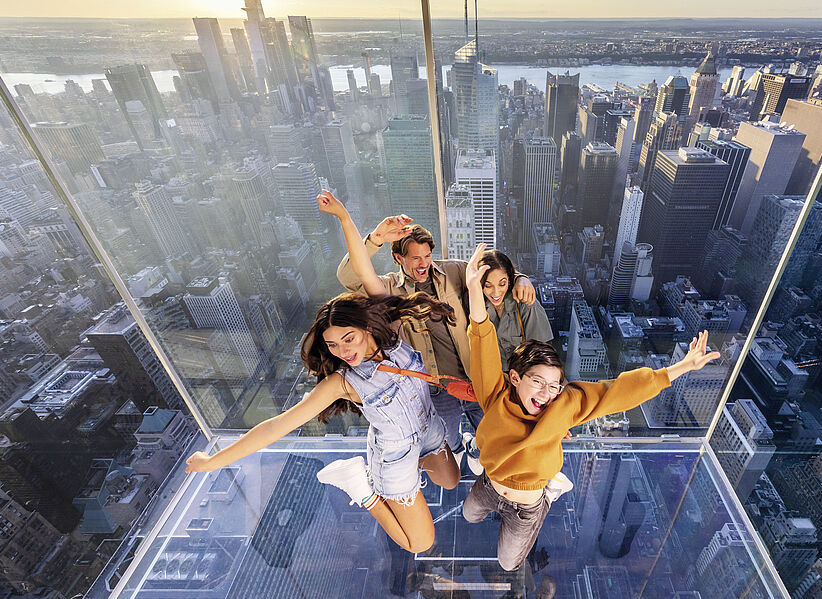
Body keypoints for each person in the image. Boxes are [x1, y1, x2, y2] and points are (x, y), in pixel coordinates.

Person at [184, 193, 460, 554]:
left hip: (428, 428)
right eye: (333, 346)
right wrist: (212, 462)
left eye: (349, 338)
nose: (345, 351)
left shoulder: (390, 334)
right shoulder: (342, 382)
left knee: (452, 481)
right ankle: (361, 488)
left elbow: (363, 271)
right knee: (420, 543)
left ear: (366, 327)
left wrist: (345, 216)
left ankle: (415, 474)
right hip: (393, 456)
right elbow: (276, 425)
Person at [461, 244, 721, 571]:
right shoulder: (495, 393)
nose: (546, 394)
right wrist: (473, 289)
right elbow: (481, 338)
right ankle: (493, 489)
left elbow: (617, 392)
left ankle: (545, 500)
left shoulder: (563, 404)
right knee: (468, 514)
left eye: (554, 384)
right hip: (490, 482)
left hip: (524, 507)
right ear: (514, 377)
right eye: (538, 382)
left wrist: (678, 369)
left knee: (509, 564)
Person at [336, 214, 537, 474]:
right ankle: (461, 449)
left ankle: (477, 448)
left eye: (427, 256)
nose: (424, 264)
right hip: (436, 389)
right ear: (399, 258)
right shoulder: (386, 289)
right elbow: (347, 277)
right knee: (448, 441)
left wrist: (521, 278)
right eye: (415, 258)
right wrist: (375, 239)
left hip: (475, 378)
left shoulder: (453, 270)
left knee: (495, 433)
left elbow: (494, 272)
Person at [477, 249, 553, 370]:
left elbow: (542, 353)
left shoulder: (525, 304)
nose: (496, 292)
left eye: (502, 284)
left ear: (510, 279)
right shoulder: (475, 306)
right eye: (488, 286)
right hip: (491, 378)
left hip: (522, 376)